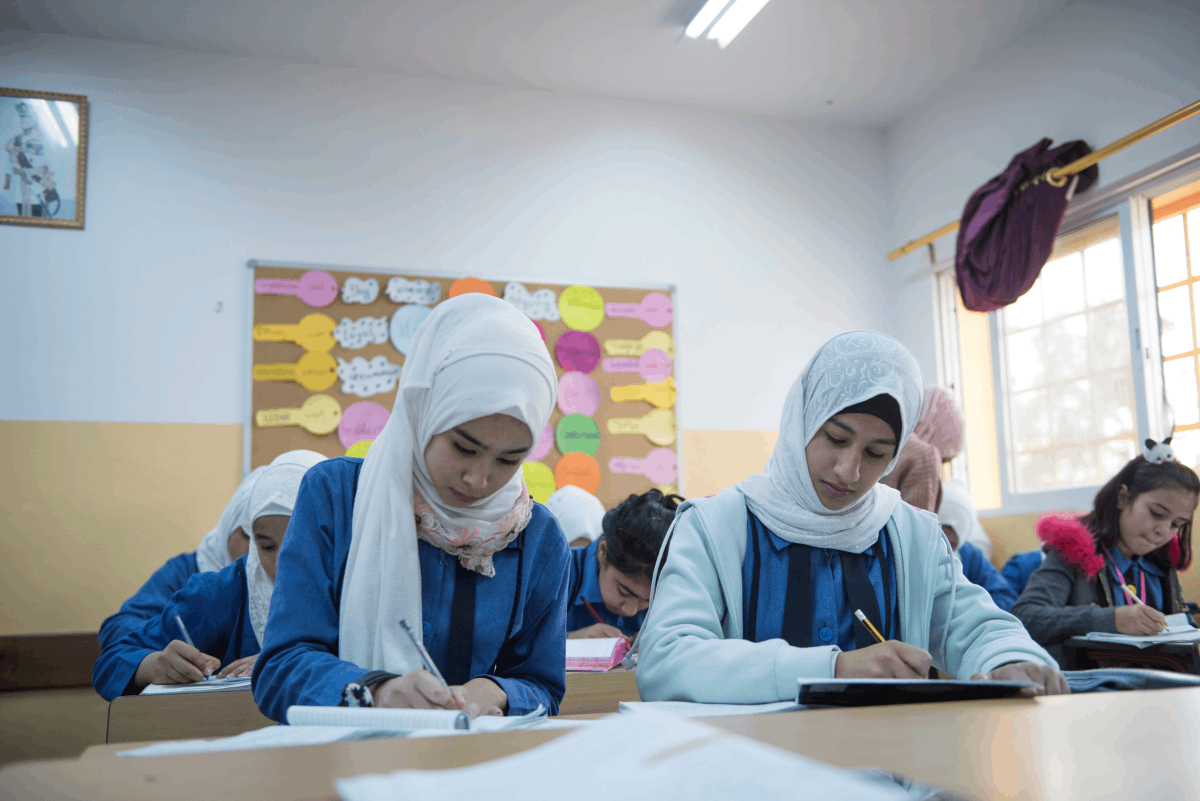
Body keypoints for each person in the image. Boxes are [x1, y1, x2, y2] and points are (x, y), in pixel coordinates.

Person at [637, 331, 1066, 704]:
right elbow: (667, 660)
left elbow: (973, 624)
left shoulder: (911, 534)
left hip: (891, 771)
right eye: (836, 438)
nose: (850, 470)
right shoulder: (716, 526)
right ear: (801, 422)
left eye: (877, 453)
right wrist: (834, 668)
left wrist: (1011, 658)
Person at [253, 294, 570, 722]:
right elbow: (280, 668)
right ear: (423, 411)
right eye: (463, 447)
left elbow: (544, 687)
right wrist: (378, 692)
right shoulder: (336, 496)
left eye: (508, 460)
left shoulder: (536, 536)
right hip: (342, 766)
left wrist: (496, 691)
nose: (479, 480)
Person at [91, 452, 324, 700]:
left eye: (297, 545)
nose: (280, 564)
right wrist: (153, 664)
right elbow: (112, 659)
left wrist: (293, 660)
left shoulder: (351, 588)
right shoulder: (223, 590)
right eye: (264, 545)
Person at [1012, 449, 1199, 666]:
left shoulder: (1161, 563)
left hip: (1164, 687)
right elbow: (1026, 617)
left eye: (1177, 524)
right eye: (1156, 513)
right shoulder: (1073, 552)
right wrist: (1111, 619)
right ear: (1122, 497)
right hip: (1096, 689)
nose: (1164, 531)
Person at [96, 467, 264, 650]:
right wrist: (162, 648)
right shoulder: (187, 572)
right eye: (248, 535)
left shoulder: (293, 584)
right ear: (228, 527)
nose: (256, 550)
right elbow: (118, 629)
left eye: (268, 543)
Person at [567, 489, 682, 639]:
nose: (631, 611)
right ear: (603, 550)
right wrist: (568, 641)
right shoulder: (556, 573)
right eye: (624, 592)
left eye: (648, 600)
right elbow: (526, 643)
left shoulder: (676, 586)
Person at [937, 481, 1016, 612]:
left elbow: (1005, 597)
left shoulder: (968, 554)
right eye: (943, 527)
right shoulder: (918, 555)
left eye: (955, 528)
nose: (949, 537)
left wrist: (970, 610)